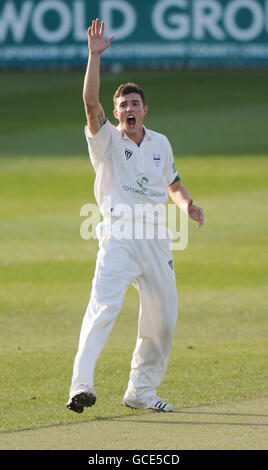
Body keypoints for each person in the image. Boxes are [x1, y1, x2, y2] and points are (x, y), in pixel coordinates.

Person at [67, 18, 204, 414]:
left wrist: (187, 205)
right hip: (119, 237)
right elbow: (90, 103)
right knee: (103, 308)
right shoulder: (106, 140)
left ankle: (141, 391)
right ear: (116, 112)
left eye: (134, 104)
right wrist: (94, 57)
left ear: (145, 110)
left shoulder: (160, 143)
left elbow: (173, 183)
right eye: (122, 104)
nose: (129, 109)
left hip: (158, 238)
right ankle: (80, 385)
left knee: (164, 319)